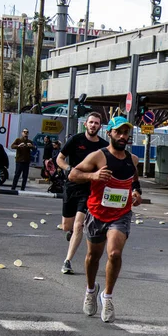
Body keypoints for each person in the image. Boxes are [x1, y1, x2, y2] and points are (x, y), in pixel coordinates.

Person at [68, 116, 142, 323]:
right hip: (97, 213)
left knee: (115, 253)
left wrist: (136, 194)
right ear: (109, 133)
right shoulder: (97, 156)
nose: (122, 136)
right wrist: (93, 176)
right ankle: (91, 290)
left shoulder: (133, 160)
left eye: (126, 133)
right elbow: (73, 174)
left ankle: (107, 296)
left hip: (121, 214)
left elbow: (135, 182)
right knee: (93, 257)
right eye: (118, 132)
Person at [56, 112, 109, 274]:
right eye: (91, 122)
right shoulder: (75, 140)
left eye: (97, 123)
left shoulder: (104, 146)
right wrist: (68, 169)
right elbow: (59, 159)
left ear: (100, 126)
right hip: (72, 186)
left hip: (90, 189)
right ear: (86, 124)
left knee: (79, 225)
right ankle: (71, 232)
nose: (93, 125)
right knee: (67, 226)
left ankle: (67, 261)